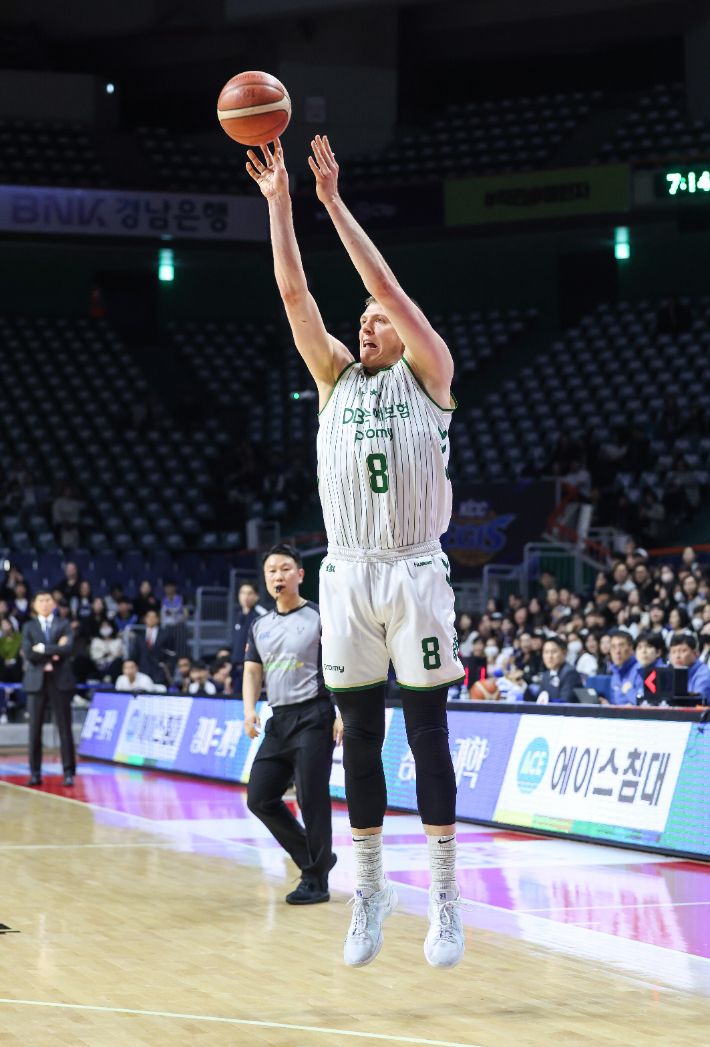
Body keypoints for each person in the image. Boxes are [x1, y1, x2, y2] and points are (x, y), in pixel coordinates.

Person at [249, 134, 465, 968]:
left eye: (378, 319)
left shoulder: (431, 374)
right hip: (346, 575)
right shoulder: (335, 381)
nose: (367, 322)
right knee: (362, 739)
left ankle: (445, 901)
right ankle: (369, 892)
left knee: (429, 737)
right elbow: (296, 289)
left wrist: (332, 200)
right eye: (363, 321)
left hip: (414, 570)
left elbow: (385, 286)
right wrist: (280, 206)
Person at [244, 545, 342, 906]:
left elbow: (340, 664)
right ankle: (313, 857)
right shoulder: (260, 626)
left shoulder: (319, 617)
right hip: (278, 719)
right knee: (260, 797)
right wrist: (249, 709)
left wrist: (342, 711)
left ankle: (316, 881)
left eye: (285, 569)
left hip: (315, 715)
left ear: (300, 575)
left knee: (311, 798)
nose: (278, 576)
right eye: (271, 571)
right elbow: (252, 670)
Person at [21, 590, 76, 787]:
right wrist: (54, 651)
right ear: (34, 605)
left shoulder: (63, 624)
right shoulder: (28, 626)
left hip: (60, 681)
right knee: (34, 730)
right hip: (36, 682)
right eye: (41, 600)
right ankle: (35, 773)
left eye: (48, 600)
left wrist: (42, 649)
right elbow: (28, 652)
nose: (45, 604)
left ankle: (68, 772)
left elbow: (68, 649)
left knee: (64, 729)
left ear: (54, 604)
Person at [231, 580, 267, 690]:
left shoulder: (262, 616)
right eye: (242, 593)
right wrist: (231, 674)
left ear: (256, 596)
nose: (245, 596)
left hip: (253, 671)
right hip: (237, 672)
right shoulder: (239, 615)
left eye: (249, 593)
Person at [531, 637, 581, 703]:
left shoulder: (570, 674)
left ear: (564, 653)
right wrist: (523, 686)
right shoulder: (547, 675)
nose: (549, 656)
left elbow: (564, 703)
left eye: (554, 652)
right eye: (546, 652)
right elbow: (537, 699)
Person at [133, 609, 174, 684]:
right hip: (143, 671)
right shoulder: (139, 636)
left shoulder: (166, 634)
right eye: (148, 617)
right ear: (145, 619)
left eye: (153, 617)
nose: (151, 619)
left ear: (158, 619)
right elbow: (136, 654)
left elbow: (170, 653)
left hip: (160, 672)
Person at [669, 631, 710, 700]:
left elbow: (698, 703)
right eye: (673, 652)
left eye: (682, 651)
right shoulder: (668, 671)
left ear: (695, 653)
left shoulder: (704, 674)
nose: (677, 656)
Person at [606, 630, 644, 706]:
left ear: (632, 648)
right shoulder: (614, 672)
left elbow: (644, 703)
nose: (617, 651)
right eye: (613, 647)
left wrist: (630, 691)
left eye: (622, 646)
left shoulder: (640, 670)